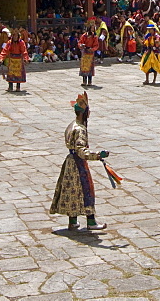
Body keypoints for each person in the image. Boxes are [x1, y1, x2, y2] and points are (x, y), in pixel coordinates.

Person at [49, 92, 109, 231]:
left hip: (70, 162)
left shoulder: (72, 125)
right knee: (86, 190)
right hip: (78, 163)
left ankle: (73, 221)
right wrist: (98, 155)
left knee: (72, 191)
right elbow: (82, 151)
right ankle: (91, 222)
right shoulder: (80, 129)